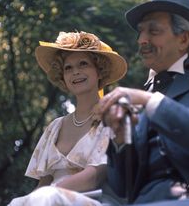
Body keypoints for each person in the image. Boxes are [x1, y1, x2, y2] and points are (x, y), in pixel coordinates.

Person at [94, 0, 189, 206]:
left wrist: (150, 101)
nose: (142, 40)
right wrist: (120, 137)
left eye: (153, 31)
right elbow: (121, 188)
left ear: (183, 39)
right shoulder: (148, 91)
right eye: (141, 32)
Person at [8, 31, 127, 206]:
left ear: (99, 71)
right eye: (68, 68)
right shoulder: (54, 127)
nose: (75, 72)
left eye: (83, 64)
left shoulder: (113, 117)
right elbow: (43, 184)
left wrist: (50, 193)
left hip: (94, 199)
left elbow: (95, 177)